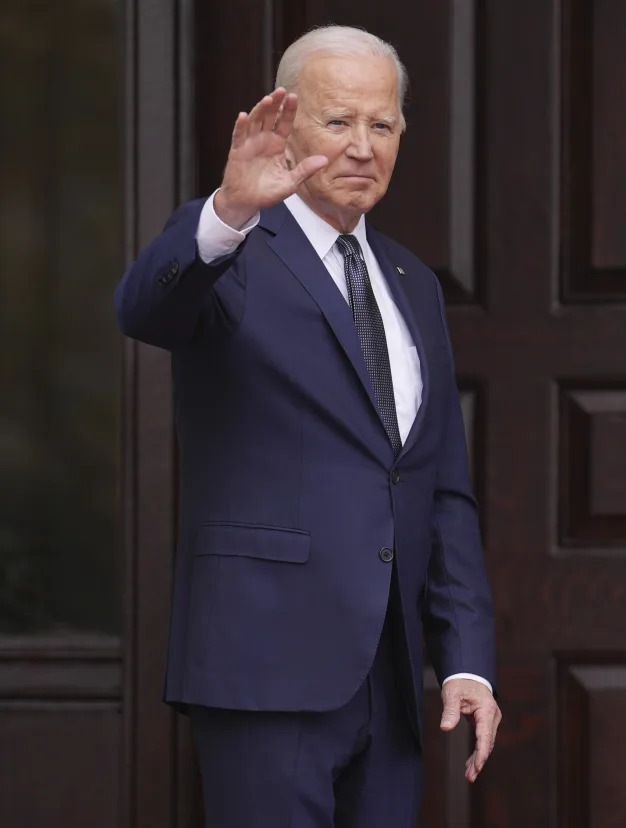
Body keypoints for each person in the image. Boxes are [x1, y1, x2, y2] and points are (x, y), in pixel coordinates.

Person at [115, 25, 499, 828]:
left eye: (382, 125)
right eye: (338, 122)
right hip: (267, 668)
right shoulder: (234, 247)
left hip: (391, 682)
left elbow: (441, 489)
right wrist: (226, 212)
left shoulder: (413, 284)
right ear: (286, 125)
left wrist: (466, 662)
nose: (363, 147)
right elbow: (145, 307)